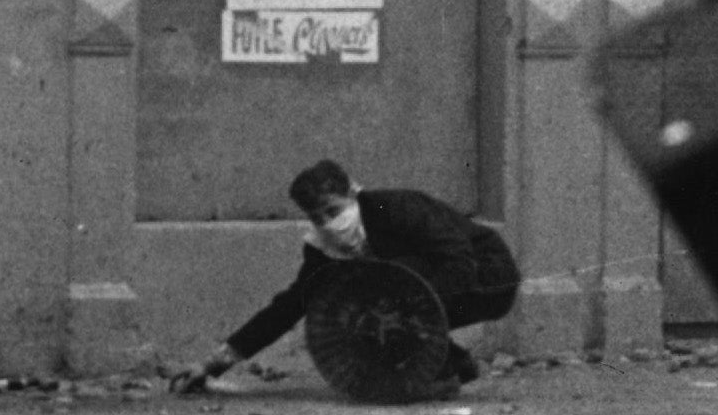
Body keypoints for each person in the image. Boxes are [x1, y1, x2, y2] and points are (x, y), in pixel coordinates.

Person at [168, 160, 519, 394]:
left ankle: (439, 368)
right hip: (426, 288)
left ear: (353, 193)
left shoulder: (391, 207)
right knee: (345, 295)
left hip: (488, 278)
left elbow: (457, 258)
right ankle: (450, 367)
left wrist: (407, 313)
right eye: (316, 217)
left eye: (333, 211)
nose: (327, 225)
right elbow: (291, 305)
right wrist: (216, 362)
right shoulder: (324, 247)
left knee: (371, 292)